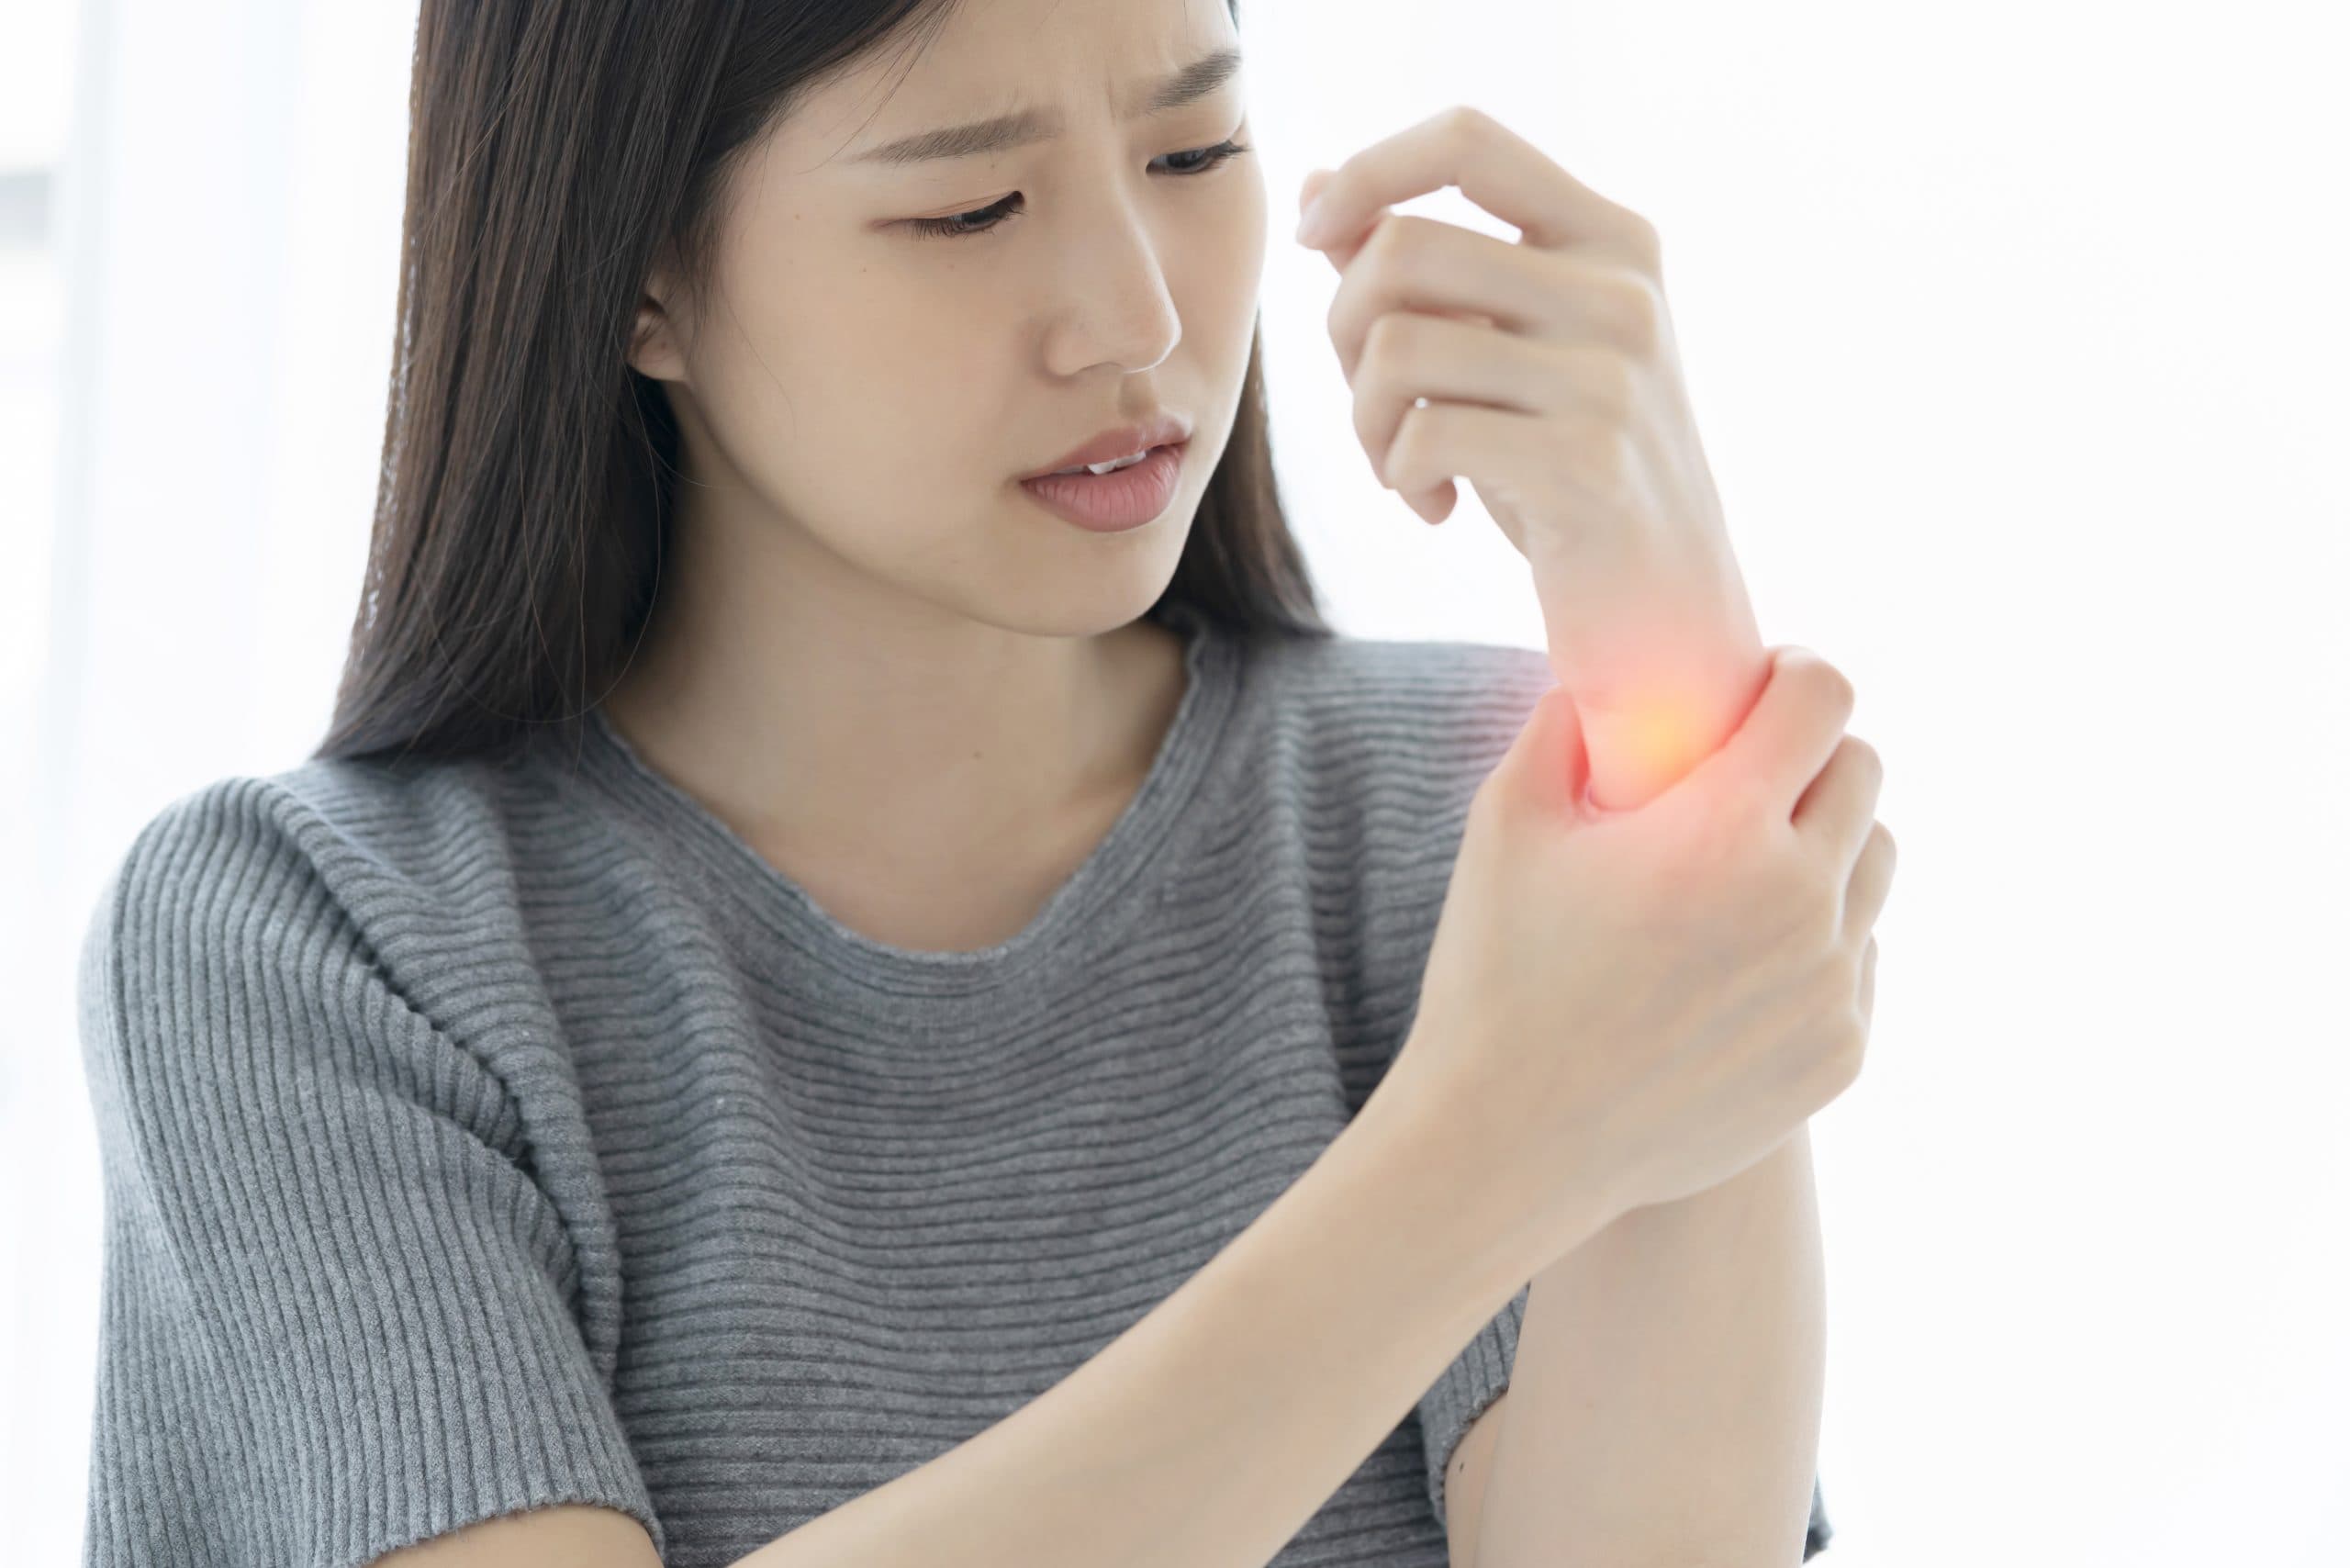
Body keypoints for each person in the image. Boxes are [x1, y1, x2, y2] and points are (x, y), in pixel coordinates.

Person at [76, 1, 1836, 1564]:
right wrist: (1497, 1141)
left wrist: (1662, 611)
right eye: (970, 207)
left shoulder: (1490, 821)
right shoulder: (312, 948)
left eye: (1194, 149)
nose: (1137, 318)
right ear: (638, 274)